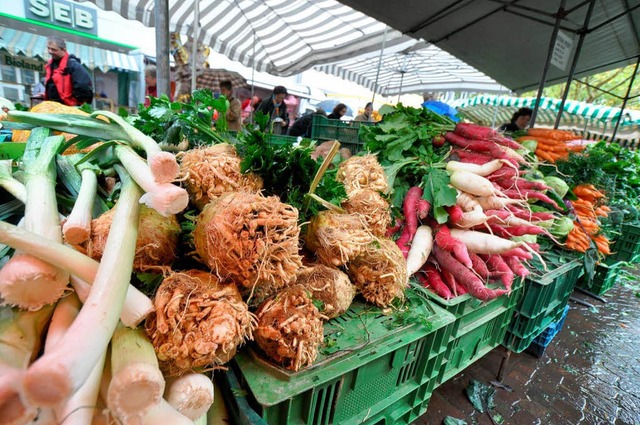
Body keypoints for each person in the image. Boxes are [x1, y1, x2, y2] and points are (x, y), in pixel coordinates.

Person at [44, 36, 93, 106]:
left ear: (64, 50)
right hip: (52, 107)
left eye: (54, 49)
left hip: (67, 108)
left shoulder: (73, 65)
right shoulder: (50, 65)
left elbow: (84, 87)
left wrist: (75, 103)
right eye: (48, 48)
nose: (50, 51)